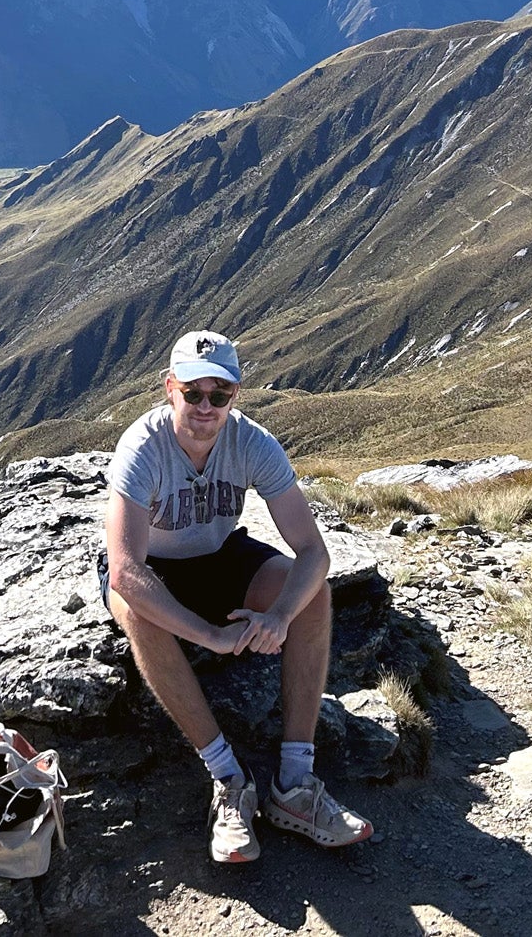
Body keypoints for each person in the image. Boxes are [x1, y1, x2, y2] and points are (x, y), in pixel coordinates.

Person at [99, 327, 374, 865]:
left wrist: (279, 615)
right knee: (138, 610)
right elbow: (125, 570)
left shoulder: (253, 442)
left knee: (312, 594)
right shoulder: (142, 447)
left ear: (235, 396)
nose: (205, 406)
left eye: (218, 395)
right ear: (168, 388)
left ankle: (295, 783)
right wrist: (211, 637)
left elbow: (313, 552)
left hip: (221, 555)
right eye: (193, 392)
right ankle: (228, 777)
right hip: (154, 564)